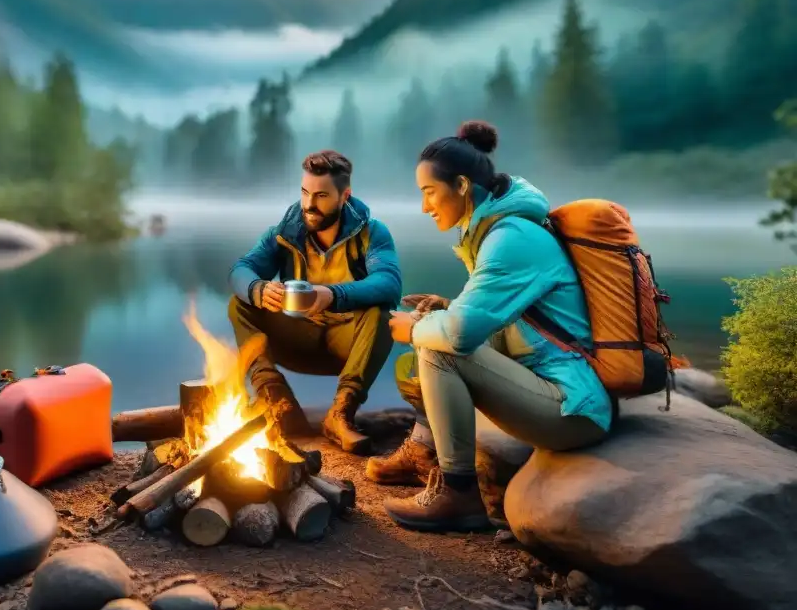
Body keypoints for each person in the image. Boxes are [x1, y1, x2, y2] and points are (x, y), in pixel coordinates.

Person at [372, 120, 614, 532]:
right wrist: (445, 309)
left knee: (439, 347)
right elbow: (511, 320)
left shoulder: (510, 240)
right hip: (548, 383)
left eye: (429, 192)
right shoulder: (500, 231)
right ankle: (422, 451)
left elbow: (462, 335)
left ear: (462, 186)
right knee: (439, 327)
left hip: (571, 408)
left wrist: (411, 330)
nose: (424, 206)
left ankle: (458, 494)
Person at [227, 150, 402, 454]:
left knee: (382, 314)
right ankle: (277, 403)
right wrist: (257, 288)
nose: (309, 204)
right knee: (240, 304)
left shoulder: (371, 232)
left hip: (349, 344)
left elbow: (389, 282)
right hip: (299, 338)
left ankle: (341, 414)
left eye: (321, 195)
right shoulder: (285, 232)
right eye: (305, 192)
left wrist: (332, 295)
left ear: (344, 196)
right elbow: (240, 270)